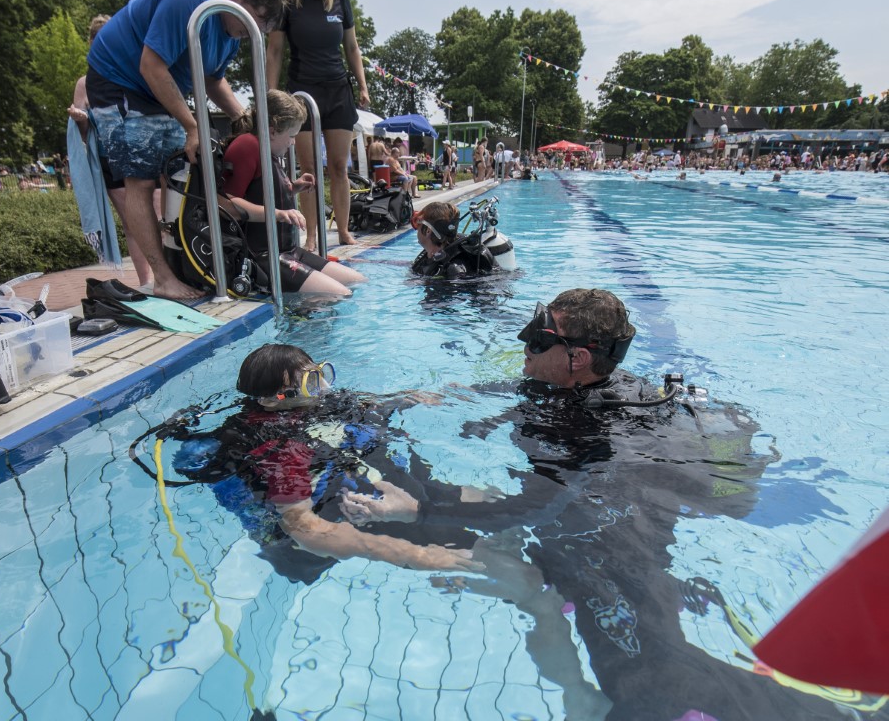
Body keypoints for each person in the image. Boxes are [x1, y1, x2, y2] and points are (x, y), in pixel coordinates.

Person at [346, 288, 853, 719]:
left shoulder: (581, 428)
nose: (524, 344)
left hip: (615, 543)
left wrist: (419, 512)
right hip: (635, 509)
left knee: (646, 681)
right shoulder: (615, 388)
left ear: (578, 357)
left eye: (538, 339)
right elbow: (509, 392)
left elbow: (535, 509)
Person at [151, 344, 484, 583]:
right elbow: (305, 531)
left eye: (321, 374)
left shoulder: (314, 406)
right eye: (312, 383)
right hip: (306, 540)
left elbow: (369, 406)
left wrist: (419, 396)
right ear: (270, 400)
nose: (325, 388)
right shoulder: (279, 449)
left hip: (339, 480)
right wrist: (415, 555)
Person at [85, 0, 289, 300]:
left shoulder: (229, 30)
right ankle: (163, 279)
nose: (248, 31)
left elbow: (212, 80)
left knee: (176, 176)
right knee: (141, 180)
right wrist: (192, 125)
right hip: (119, 79)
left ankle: (178, 267)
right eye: (251, 21)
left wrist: (244, 117)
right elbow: (150, 65)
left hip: (158, 88)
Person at [218, 90, 366, 295]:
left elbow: (259, 191)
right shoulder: (247, 146)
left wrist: (293, 188)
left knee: (358, 281)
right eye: (292, 135)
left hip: (288, 251)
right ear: (272, 131)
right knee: (338, 294)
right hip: (262, 256)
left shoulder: (268, 152)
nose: (293, 142)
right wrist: (277, 214)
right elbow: (226, 204)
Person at [267, 0, 369, 249]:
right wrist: (270, 95)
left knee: (338, 166)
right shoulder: (288, 1)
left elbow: (351, 46)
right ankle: (311, 235)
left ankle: (344, 230)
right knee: (309, 168)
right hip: (302, 92)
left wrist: (362, 85)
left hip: (338, 90)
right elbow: (274, 50)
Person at [68, 14, 153, 288]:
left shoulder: (133, 72)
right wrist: (82, 120)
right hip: (110, 159)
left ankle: (168, 274)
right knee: (131, 222)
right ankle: (145, 280)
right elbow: (83, 131)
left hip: (139, 153)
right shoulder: (85, 83)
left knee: (157, 216)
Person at [410, 201, 499, 280]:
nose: (417, 229)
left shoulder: (451, 269)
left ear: (428, 230)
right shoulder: (442, 250)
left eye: (418, 223)